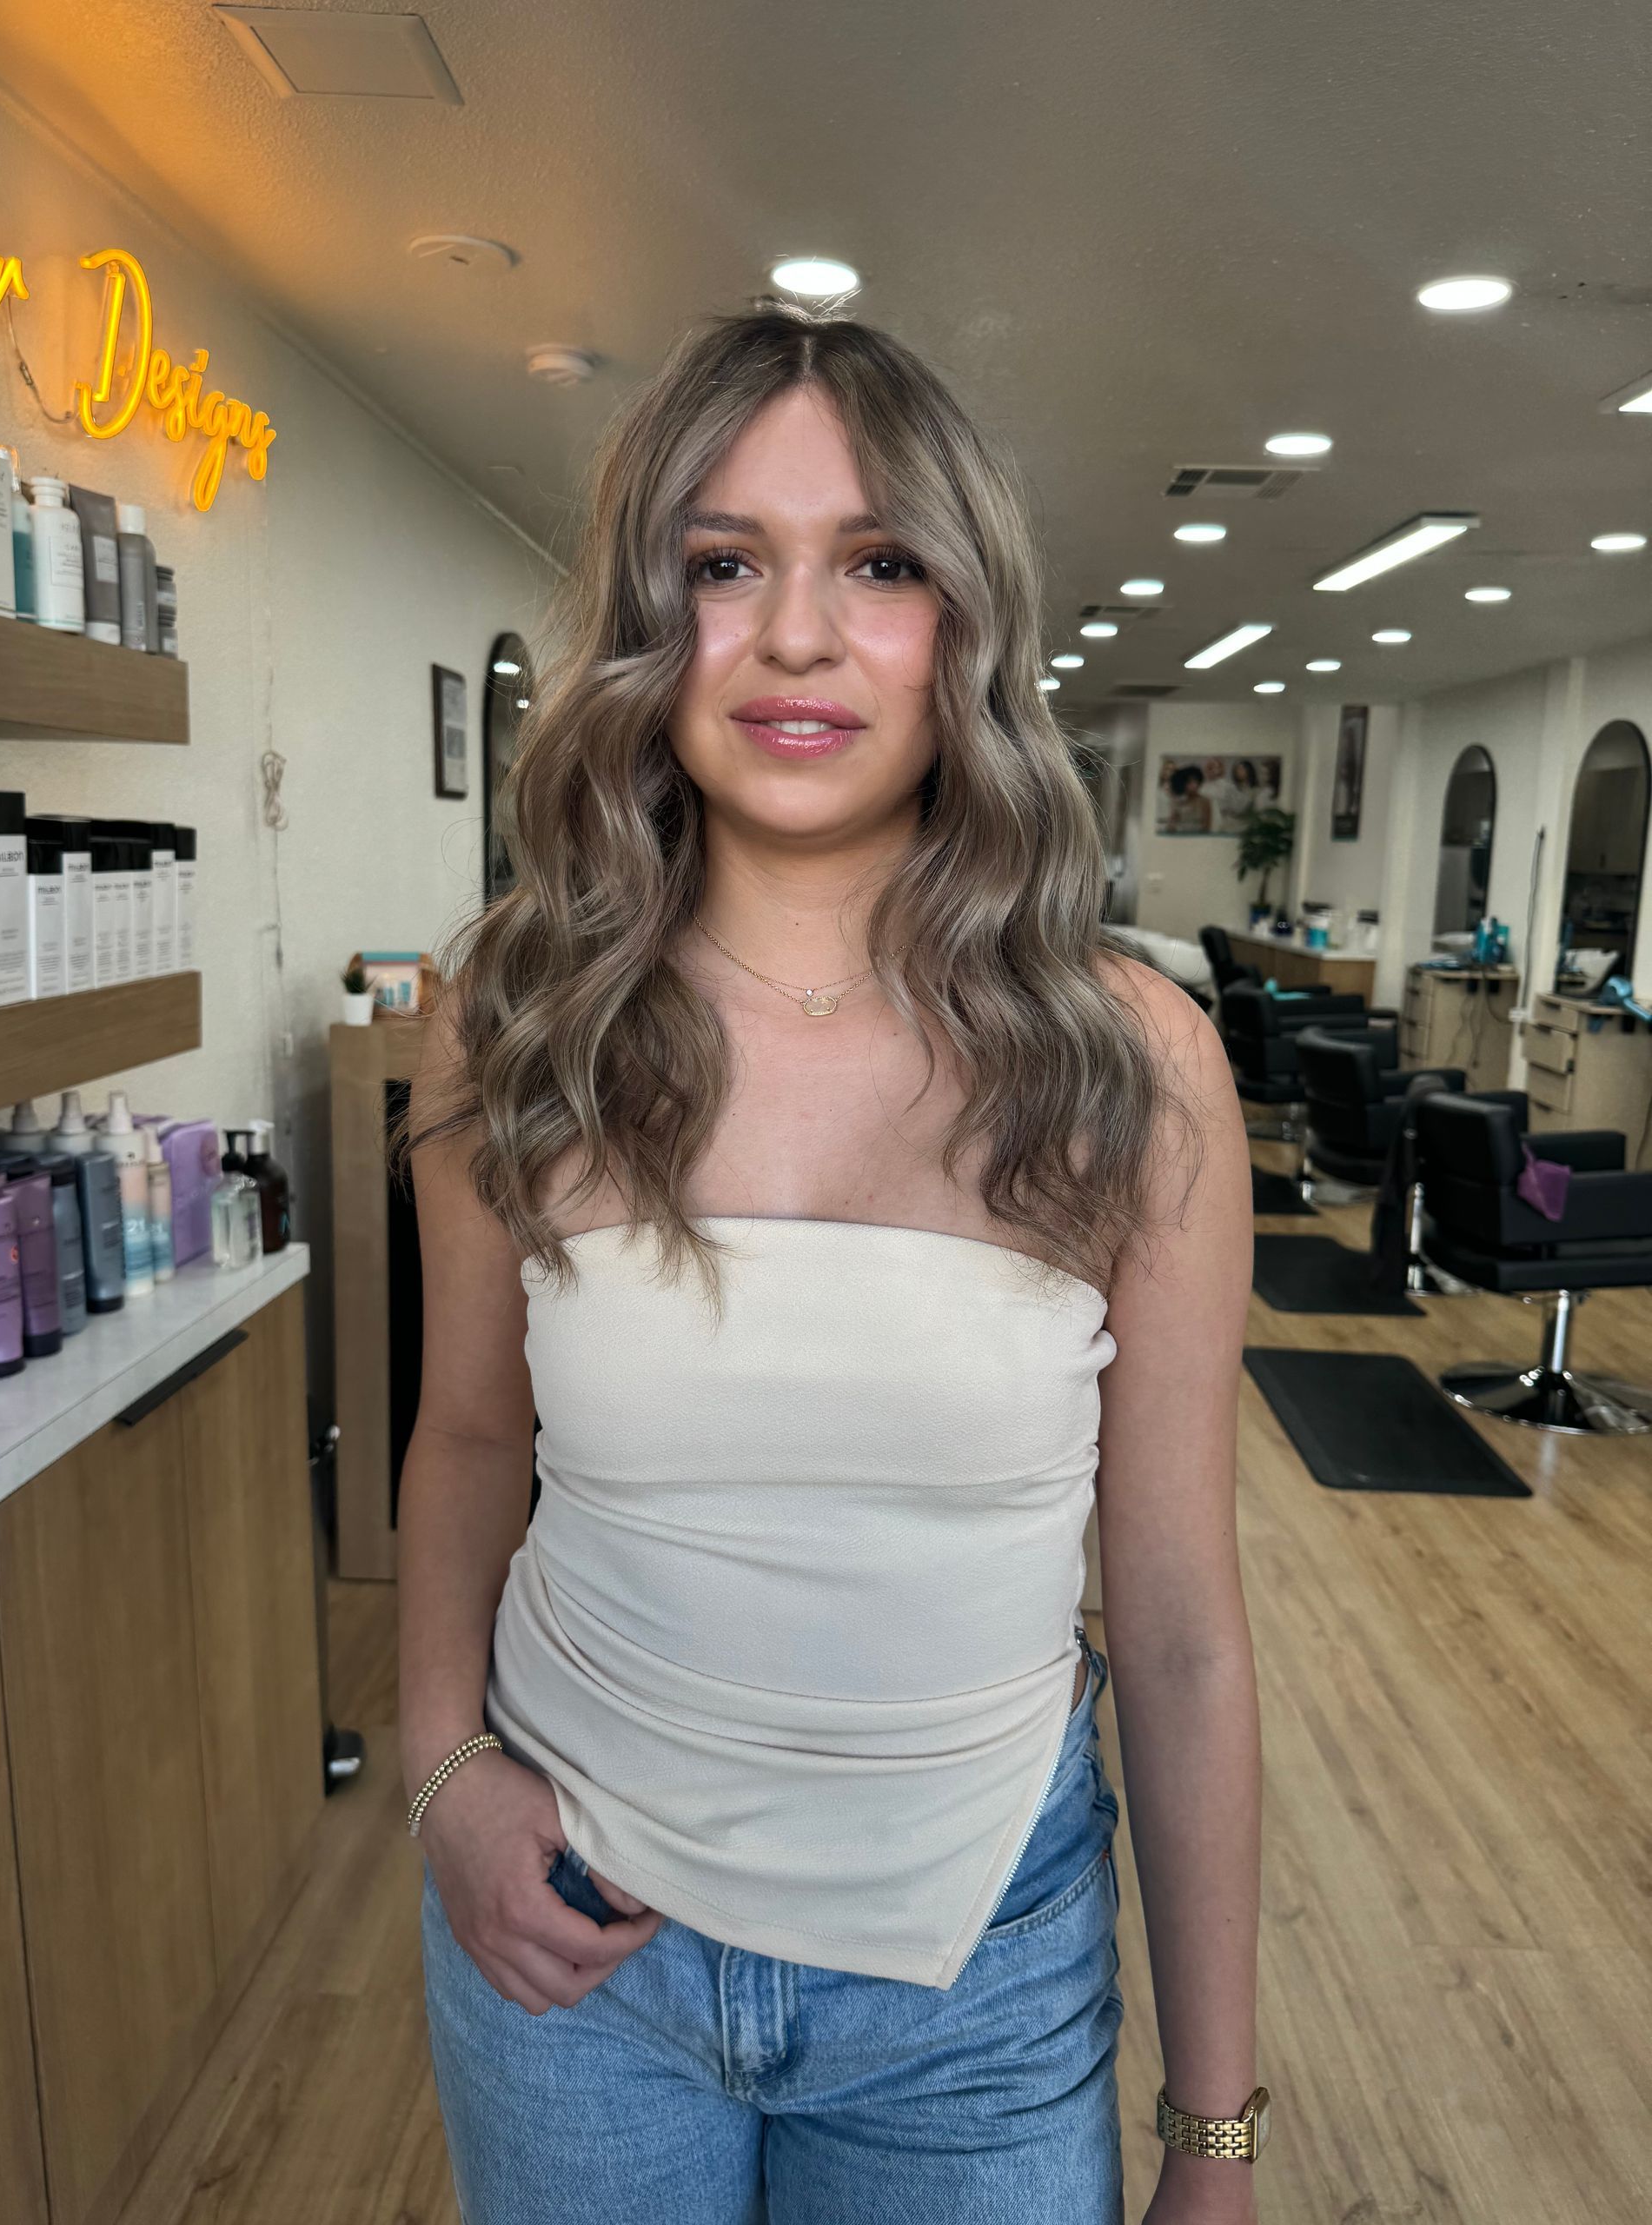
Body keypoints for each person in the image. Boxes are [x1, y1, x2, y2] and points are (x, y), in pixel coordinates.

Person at [395, 306, 1263, 2225]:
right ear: (649, 619)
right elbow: (464, 1442)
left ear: (963, 625)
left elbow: (1183, 1624)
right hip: (577, 1951)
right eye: (725, 564)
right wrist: (444, 1765)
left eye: (879, 563)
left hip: (978, 1975)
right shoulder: (519, 1019)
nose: (798, 634)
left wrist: (1214, 2134)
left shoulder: (1129, 1062)